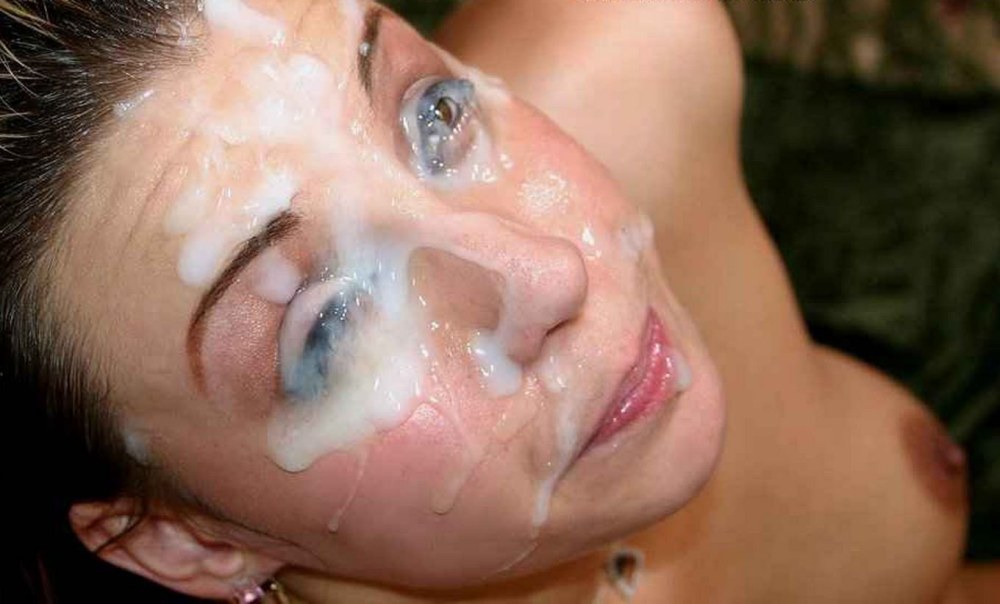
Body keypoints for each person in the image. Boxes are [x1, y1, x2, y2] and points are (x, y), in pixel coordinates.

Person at [1, 0, 994, 602]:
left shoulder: (637, 55)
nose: (551, 274)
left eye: (433, 115)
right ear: (191, 542)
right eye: (331, 325)